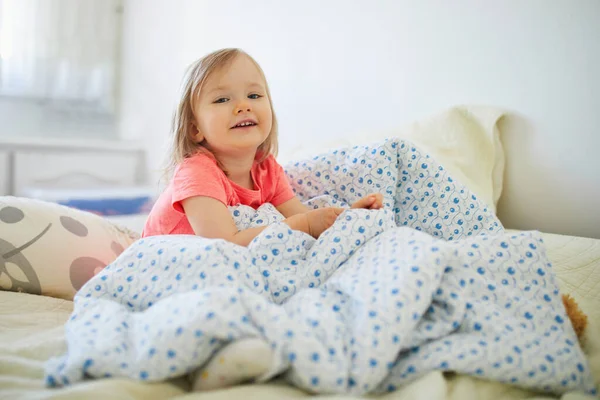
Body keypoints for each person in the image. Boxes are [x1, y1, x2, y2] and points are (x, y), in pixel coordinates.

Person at [142, 48, 383, 246]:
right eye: (222, 99)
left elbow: (301, 217)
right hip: (168, 263)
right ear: (196, 129)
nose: (242, 106)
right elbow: (224, 244)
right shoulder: (197, 171)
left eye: (254, 96)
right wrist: (306, 225)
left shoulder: (267, 169)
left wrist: (344, 219)